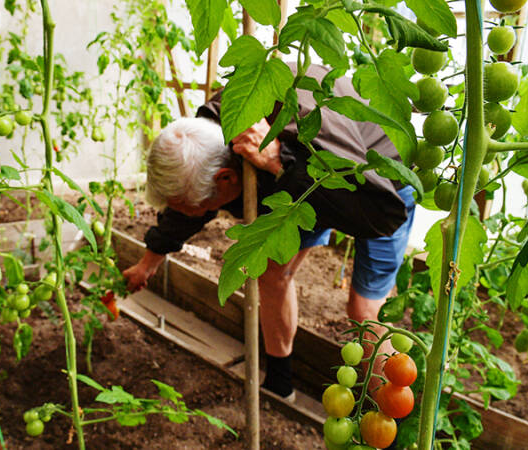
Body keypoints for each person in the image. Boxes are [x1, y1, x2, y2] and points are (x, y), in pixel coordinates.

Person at [123, 64, 416, 400]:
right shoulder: (215, 131)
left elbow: (379, 216)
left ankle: (389, 421)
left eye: (187, 205)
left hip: (377, 186)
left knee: (364, 311)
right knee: (272, 272)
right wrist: (149, 261)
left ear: (225, 179)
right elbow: (189, 207)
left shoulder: (302, 120)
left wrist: (280, 162)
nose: (190, 213)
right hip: (299, 180)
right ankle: (279, 384)